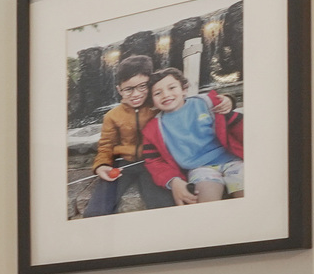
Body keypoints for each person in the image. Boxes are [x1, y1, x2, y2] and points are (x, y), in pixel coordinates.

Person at [143, 65, 245, 205]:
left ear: (184, 90)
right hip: (200, 169)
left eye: (172, 88)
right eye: (157, 93)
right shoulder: (153, 129)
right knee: (205, 202)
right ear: (152, 100)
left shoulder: (206, 104)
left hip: (233, 160)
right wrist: (173, 181)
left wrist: (229, 100)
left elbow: (240, 126)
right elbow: (154, 161)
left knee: (247, 194)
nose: (166, 95)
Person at [81, 60, 171, 215]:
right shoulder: (112, 116)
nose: (135, 94)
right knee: (97, 208)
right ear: (119, 90)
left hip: (152, 162)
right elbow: (106, 145)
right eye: (128, 89)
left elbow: (185, 105)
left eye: (142, 86)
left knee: (163, 204)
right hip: (122, 164)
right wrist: (101, 165)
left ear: (150, 84)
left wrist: (225, 100)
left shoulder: (159, 107)